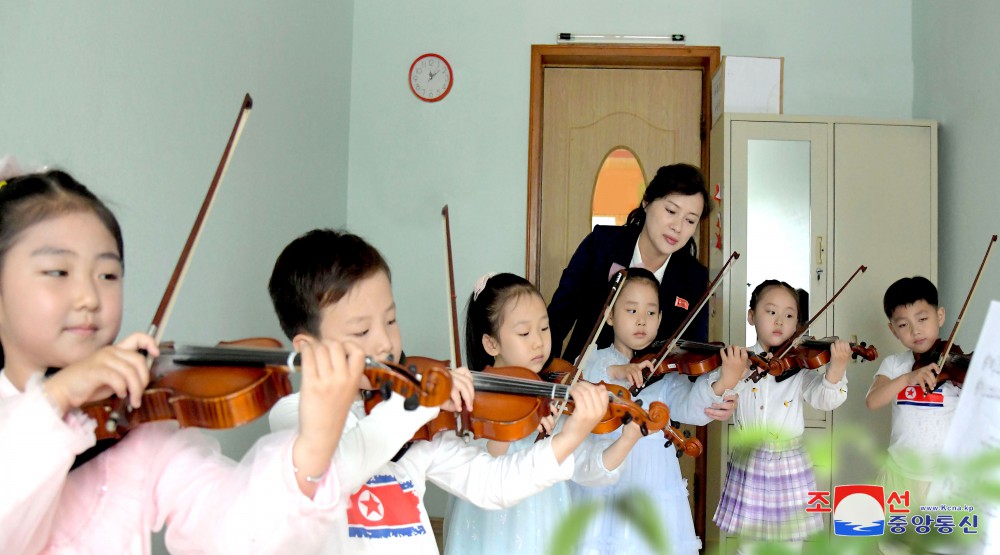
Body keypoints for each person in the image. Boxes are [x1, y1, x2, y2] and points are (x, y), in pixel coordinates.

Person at [0, 170, 359, 554]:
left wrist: (313, 448)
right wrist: (55, 397)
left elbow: (236, 538)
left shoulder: (136, 428)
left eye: (108, 274)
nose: (89, 296)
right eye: (58, 272)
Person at [266, 230, 609, 554]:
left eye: (390, 321)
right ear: (309, 349)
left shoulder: (418, 428)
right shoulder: (294, 418)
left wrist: (571, 437)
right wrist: (417, 404)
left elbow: (494, 484)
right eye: (362, 330)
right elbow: (340, 468)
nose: (385, 342)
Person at [444, 272, 644, 554]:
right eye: (524, 333)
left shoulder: (552, 396)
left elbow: (587, 468)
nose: (538, 342)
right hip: (488, 530)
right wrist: (510, 426)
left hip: (545, 525)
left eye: (544, 328)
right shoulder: (471, 399)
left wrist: (627, 440)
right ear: (491, 344)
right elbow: (479, 470)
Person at [568, 268, 742, 555]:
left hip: (654, 478)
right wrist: (619, 370)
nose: (641, 320)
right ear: (610, 316)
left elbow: (692, 408)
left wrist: (723, 382)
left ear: (661, 319)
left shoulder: (665, 372)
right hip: (606, 471)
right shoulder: (595, 359)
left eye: (651, 313)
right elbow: (580, 377)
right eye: (631, 310)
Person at [711, 279, 851, 554]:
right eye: (771, 311)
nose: (779, 321)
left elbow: (825, 399)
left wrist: (837, 369)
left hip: (789, 461)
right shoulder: (740, 361)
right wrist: (733, 375)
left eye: (789, 315)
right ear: (752, 316)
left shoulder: (799, 366)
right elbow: (718, 397)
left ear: (797, 324)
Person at [548, 163, 712, 363]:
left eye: (690, 221)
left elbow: (695, 352)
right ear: (646, 202)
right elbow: (558, 318)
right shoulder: (601, 245)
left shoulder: (694, 277)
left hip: (655, 390)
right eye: (671, 211)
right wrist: (551, 374)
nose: (677, 227)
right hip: (586, 381)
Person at [866, 276, 964, 555]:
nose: (915, 331)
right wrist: (908, 378)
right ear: (893, 330)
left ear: (940, 316)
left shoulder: (957, 366)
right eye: (903, 324)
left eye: (922, 319)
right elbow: (873, 400)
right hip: (900, 475)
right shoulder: (895, 365)